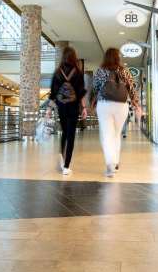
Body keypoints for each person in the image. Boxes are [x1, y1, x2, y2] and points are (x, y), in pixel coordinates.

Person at [88, 47, 143, 176]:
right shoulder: (124, 71)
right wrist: (136, 104)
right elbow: (131, 88)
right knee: (116, 134)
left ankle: (110, 164)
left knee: (107, 135)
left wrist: (92, 101)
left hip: (104, 105)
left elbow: (95, 88)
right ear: (118, 57)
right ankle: (115, 163)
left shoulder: (101, 71)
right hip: (121, 105)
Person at [49, 47, 86, 176]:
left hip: (61, 106)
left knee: (64, 132)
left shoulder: (57, 72)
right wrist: (84, 108)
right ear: (74, 57)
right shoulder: (78, 73)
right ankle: (66, 166)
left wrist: (49, 108)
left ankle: (61, 154)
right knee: (71, 136)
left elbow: (53, 92)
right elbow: (81, 93)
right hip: (73, 106)